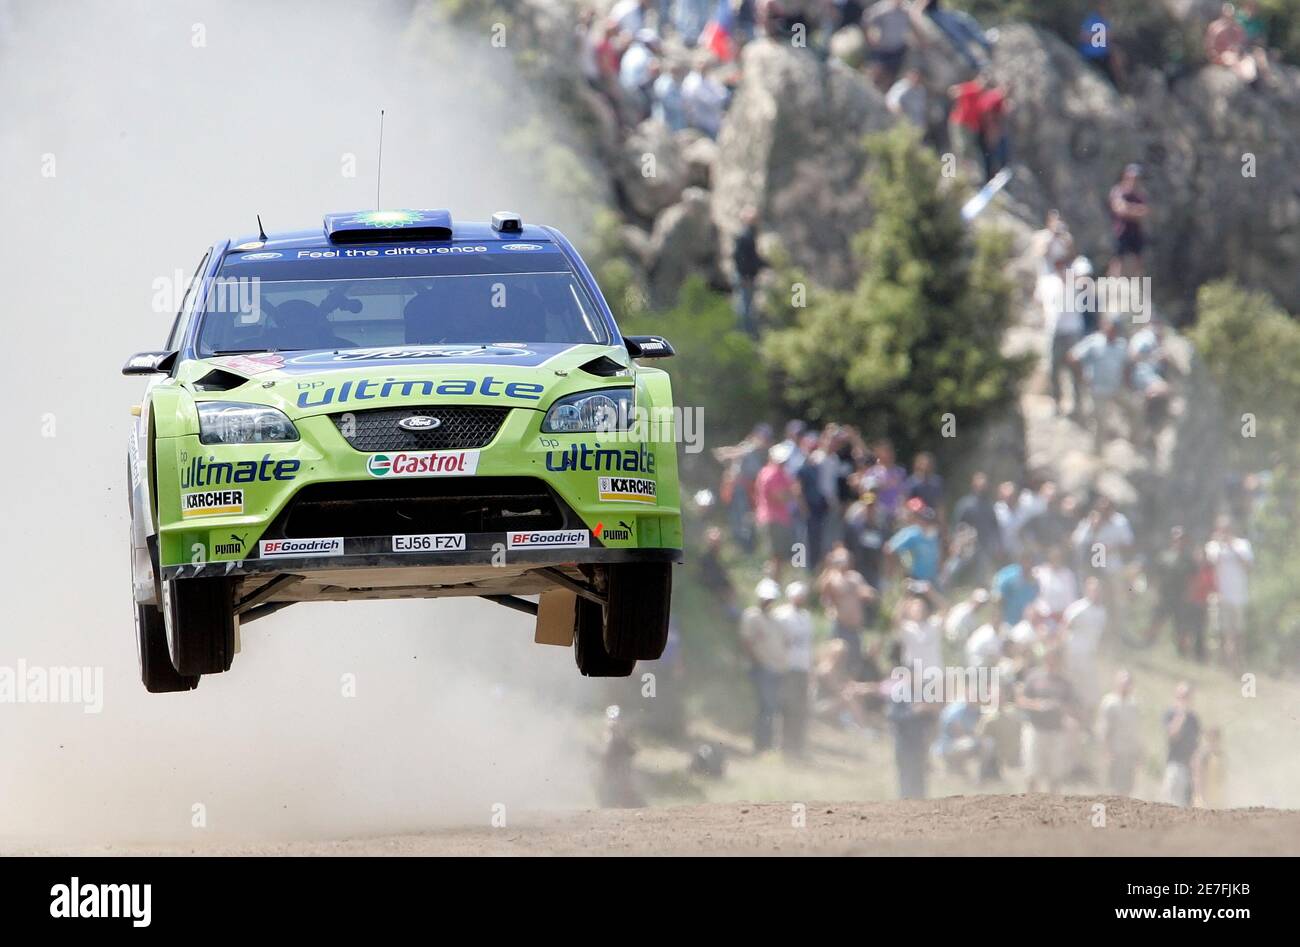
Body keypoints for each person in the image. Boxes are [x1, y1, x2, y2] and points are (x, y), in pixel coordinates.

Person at [1017, 646, 1079, 793]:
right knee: (1032, 771)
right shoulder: (1034, 677)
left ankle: (1053, 808)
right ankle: (1029, 805)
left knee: (1055, 774)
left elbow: (1074, 707)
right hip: (1035, 727)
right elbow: (1021, 700)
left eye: (1055, 658)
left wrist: (1060, 707)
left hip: (1056, 730)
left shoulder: (1065, 682)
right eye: (1049, 657)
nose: (1052, 661)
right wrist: (1037, 704)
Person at [739, 579, 788, 753]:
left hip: (775, 669)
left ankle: (765, 743)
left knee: (770, 707)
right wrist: (758, 663)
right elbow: (747, 642)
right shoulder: (752, 615)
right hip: (760, 668)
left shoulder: (774, 620)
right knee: (766, 706)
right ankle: (761, 744)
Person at [1069, 317, 1130, 451]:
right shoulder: (1093, 342)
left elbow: (1126, 365)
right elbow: (1073, 357)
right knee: (1101, 421)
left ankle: (1136, 442)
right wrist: (1082, 376)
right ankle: (1097, 453)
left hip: (1116, 388)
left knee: (1135, 408)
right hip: (1098, 390)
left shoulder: (1121, 345)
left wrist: (1126, 382)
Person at [817, 545, 878, 675]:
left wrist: (867, 593)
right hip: (841, 626)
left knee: (855, 660)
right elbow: (823, 595)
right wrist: (829, 567)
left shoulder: (855, 577)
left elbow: (868, 593)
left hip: (855, 628)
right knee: (838, 659)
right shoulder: (832, 577)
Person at [1205, 515, 1253, 671]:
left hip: (1239, 595)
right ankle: (1224, 664)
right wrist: (1221, 544)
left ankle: (1240, 663)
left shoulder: (1242, 545)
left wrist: (1231, 546)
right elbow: (1212, 563)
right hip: (1221, 595)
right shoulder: (1213, 546)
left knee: (1239, 632)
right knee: (1222, 632)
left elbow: (1248, 565)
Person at [1038, 257, 1085, 417]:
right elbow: (1039, 300)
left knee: (1075, 368)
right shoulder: (1047, 282)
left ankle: (1077, 406)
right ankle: (1056, 403)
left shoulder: (1074, 281)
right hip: (1054, 330)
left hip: (1072, 331)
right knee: (1053, 368)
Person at [775, 581, 815, 758]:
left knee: (801, 709)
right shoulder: (782, 615)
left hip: (803, 667)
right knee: (788, 707)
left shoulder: (806, 616)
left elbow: (808, 644)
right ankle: (785, 746)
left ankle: (798, 746)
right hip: (788, 667)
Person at [886, 666, 939, 798]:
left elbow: (931, 719)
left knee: (920, 774)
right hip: (904, 741)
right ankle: (905, 802)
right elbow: (894, 716)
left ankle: (921, 801)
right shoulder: (898, 693)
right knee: (906, 773)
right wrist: (914, 712)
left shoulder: (923, 693)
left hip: (920, 740)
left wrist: (930, 711)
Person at [1146, 527, 1197, 655]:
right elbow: (1156, 575)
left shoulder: (1188, 559)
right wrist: (1155, 592)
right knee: (1156, 621)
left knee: (1181, 628)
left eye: (1181, 539)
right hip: (1164, 595)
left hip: (1180, 597)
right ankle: (1147, 645)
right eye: (1176, 538)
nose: (1178, 541)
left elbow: (1193, 578)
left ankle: (1182, 653)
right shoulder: (1164, 555)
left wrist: (1189, 594)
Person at [754, 443, 801, 579]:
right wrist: (793, 492)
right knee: (776, 557)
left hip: (777, 519)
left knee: (778, 556)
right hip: (773, 519)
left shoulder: (772, 472)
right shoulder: (772, 474)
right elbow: (780, 497)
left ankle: (774, 582)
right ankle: (772, 583)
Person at [1061, 576, 1107, 714]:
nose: (1096, 593)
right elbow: (1065, 627)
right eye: (1093, 590)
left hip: (1089, 655)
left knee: (1089, 690)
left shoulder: (1102, 612)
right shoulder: (1078, 608)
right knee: (1073, 685)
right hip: (1074, 653)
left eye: (1098, 590)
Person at [1095, 669, 1142, 795]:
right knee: (1112, 789)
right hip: (1114, 751)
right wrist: (1106, 750)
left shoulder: (1133, 704)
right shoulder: (1110, 703)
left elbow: (1135, 730)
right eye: (1123, 682)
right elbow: (1104, 728)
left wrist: (1138, 752)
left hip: (1129, 752)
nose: (1125, 686)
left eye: (1128, 683)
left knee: (1127, 789)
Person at [952, 471, 1003, 582]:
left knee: (982, 572)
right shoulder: (965, 504)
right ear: (974, 485)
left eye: (984, 485)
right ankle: (943, 586)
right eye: (980, 485)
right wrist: (956, 543)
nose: (982, 488)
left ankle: (979, 591)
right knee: (955, 566)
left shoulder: (989, 505)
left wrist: (998, 544)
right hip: (968, 543)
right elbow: (958, 525)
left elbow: (995, 526)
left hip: (984, 544)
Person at [862, 0, 920, 91]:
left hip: (898, 49)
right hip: (882, 48)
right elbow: (867, 19)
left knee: (890, 77)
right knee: (875, 73)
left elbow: (912, 25)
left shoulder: (906, 9)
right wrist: (869, 35)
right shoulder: (883, 8)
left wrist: (919, 40)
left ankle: (884, 95)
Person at [886, 498, 943, 585]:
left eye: (930, 522)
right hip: (916, 579)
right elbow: (889, 548)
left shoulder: (935, 535)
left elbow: (937, 556)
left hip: (932, 579)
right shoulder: (912, 533)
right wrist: (896, 571)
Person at [1163, 682, 1201, 806]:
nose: (1184, 699)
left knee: (1186, 806)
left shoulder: (1194, 719)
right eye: (1182, 696)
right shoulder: (1170, 714)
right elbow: (1172, 735)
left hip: (1188, 768)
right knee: (1171, 803)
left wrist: (1196, 776)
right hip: (1174, 765)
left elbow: (1196, 747)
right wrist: (1181, 715)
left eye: (1187, 696)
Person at [1107, 163, 1148, 279]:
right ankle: (1113, 282)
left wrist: (1128, 208)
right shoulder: (1118, 191)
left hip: (1135, 231)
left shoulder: (1140, 194)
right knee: (1117, 258)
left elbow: (1144, 212)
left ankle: (1137, 284)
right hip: (1121, 231)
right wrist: (1134, 209)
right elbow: (1119, 209)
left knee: (1138, 259)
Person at [1205, 3, 1261, 84]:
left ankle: (1250, 81)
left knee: (1249, 60)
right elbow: (1210, 47)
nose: (1229, 17)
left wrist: (1239, 50)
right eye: (1227, 14)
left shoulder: (1236, 28)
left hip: (1236, 55)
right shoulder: (1215, 27)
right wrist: (1217, 58)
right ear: (1223, 14)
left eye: (1231, 15)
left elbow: (1241, 43)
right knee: (1233, 60)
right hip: (1222, 57)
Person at [731, 206, 767, 334]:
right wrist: (745, 275)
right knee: (743, 306)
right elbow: (740, 258)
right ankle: (742, 333)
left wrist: (765, 264)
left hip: (747, 276)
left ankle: (744, 331)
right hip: (744, 277)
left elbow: (752, 257)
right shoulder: (744, 236)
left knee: (746, 304)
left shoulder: (749, 234)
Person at [1077, 2, 1126, 88]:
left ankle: (1120, 83)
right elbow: (1082, 37)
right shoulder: (1091, 20)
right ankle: (1119, 83)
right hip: (1090, 55)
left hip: (1103, 55)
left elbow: (1109, 39)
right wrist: (1099, 35)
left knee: (1117, 55)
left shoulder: (1105, 22)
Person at [946, 73, 986, 179]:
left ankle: (964, 173)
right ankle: (951, 172)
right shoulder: (972, 87)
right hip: (960, 122)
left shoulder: (982, 93)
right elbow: (953, 91)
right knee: (960, 147)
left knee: (968, 150)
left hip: (971, 126)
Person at [993, 551, 1041, 628]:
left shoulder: (1034, 581)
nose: (1029, 565)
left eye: (1031, 562)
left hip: (1023, 624)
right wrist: (998, 620)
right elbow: (998, 599)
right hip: (1007, 622)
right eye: (1027, 561)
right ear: (1021, 561)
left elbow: (1033, 602)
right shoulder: (1009, 575)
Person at [651, 58, 689, 130]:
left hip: (677, 119)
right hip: (665, 119)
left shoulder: (674, 82)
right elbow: (668, 101)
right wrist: (683, 104)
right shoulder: (664, 83)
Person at [1194, 727, 1227, 808]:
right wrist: (1200, 795)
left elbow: (1223, 777)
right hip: (1205, 799)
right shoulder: (1204, 755)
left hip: (1219, 798)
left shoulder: (1221, 755)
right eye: (1211, 739)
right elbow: (1198, 776)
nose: (1214, 742)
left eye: (1216, 739)